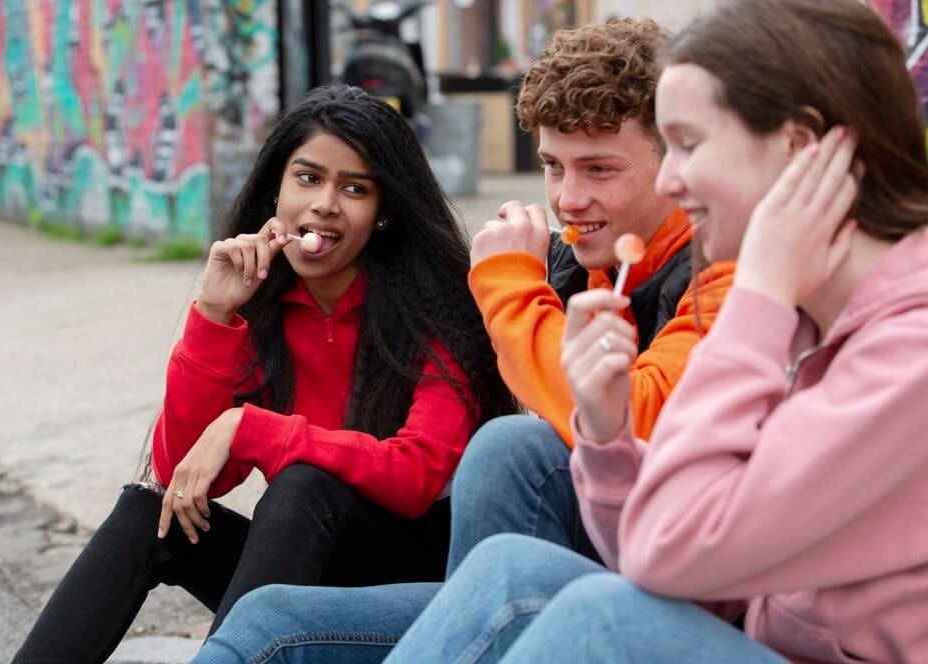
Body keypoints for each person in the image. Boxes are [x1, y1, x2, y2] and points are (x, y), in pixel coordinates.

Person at [380, 0, 928, 661]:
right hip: (750, 626)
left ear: (797, 147)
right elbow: (668, 567)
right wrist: (606, 435)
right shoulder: (805, 306)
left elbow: (666, 555)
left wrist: (758, 297)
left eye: (689, 144)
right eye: (554, 166)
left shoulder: (920, 342)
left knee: (605, 618)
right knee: (510, 565)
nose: (672, 179)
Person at [193, 17, 734, 663]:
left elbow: (632, 415)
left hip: (682, 605)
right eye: (553, 167)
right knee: (268, 618)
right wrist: (212, 316)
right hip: (563, 563)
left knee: (511, 444)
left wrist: (509, 285)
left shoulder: (723, 273)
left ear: (678, 159)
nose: (568, 198)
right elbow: (176, 474)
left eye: (599, 169)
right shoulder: (577, 266)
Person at [13, 83, 517, 664]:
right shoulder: (264, 309)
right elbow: (185, 478)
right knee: (148, 511)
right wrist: (213, 315)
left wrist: (250, 427)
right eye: (308, 178)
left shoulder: (439, 310)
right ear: (276, 189)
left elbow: (418, 473)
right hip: (305, 578)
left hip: (416, 599)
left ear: (384, 214)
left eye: (354, 188)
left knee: (303, 486)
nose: (325, 202)